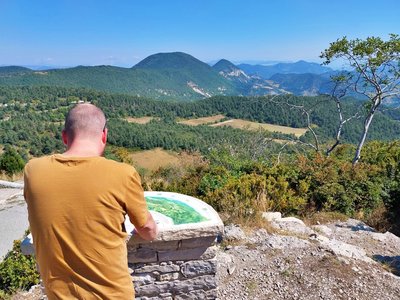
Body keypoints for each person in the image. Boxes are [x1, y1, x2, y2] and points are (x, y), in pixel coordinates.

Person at [24, 103, 157, 299]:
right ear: (104, 135)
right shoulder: (123, 174)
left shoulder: (32, 171)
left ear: (64, 137)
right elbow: (148, 231)